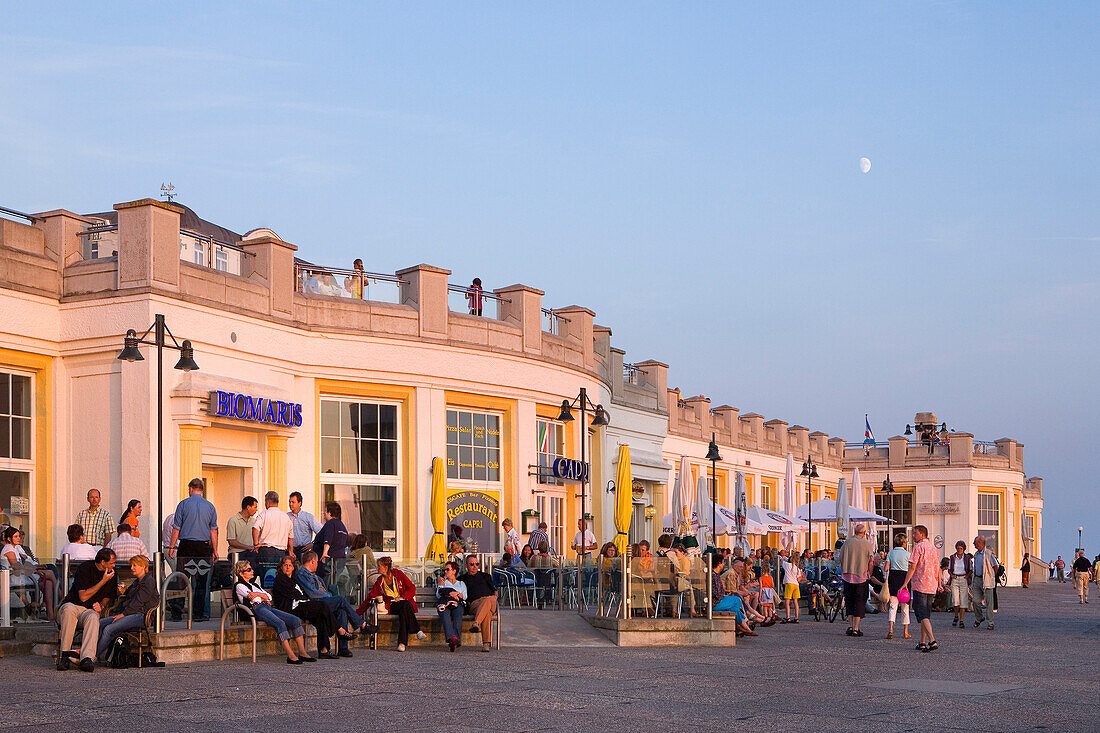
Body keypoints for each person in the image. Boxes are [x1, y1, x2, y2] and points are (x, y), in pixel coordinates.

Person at [233, 560, 314, 664]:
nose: (252, 571)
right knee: (280, 623)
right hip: (256, 610)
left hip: (267, 607)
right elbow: (252, 598)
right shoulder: (239, 586)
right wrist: (261, 596)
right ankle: (291, 655)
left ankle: (302, 653)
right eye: (249, 569)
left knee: (295, 620)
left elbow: (268, 597)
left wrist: (260, 596)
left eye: (251, 568)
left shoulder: (255, 585)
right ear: (241, 573)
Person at [57, 547, 118, 672]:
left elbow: (108, 596)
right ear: (102, 563)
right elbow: (83, 596)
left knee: (93, 616)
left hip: (88, 610)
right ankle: (64, 655)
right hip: (73, 605)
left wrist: (101, 605)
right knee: (68, 610)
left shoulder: (113, 573)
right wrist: (103, 581)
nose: (114, 565)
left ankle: (87, 658)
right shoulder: (85, 568)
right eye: (111, 562)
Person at [271, 555, 341, 659]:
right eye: (285, 565)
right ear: (281, 567)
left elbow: (300, 593)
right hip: (291, 609)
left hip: (300, 605)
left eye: (290, 565)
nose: (287, 567)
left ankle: (324, 650)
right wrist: (304, 598)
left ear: (293, 567)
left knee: (320, 618)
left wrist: (304, 597)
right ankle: (338, 629)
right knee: (322, 605)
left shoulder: (293, 580)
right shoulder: (280, 579)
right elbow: (292, 593)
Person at [168, 478, 218, 621]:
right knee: (201, 581)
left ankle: (177, 613)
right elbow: (213, 530)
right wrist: (215, 549)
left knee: (181, 580)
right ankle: (198, 614)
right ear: (202, 489)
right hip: (203, 547)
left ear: (190, 489)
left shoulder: (183, 504)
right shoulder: (210, 507)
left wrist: (172, 547)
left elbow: (176, 528)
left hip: (186, 545)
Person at [297, 551, 372, 646]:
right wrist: (329, 596)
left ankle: (343, 648)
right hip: (316, 603)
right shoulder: (302, 574)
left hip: (323, 601)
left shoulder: (315, 576)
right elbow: (312, 593)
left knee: (342, 611)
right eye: (317, 562)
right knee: (340, 600)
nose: (317, 565)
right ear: (313, 561)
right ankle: (362, 624)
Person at [96, 554, 159, 662]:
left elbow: (138, 603)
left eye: (134, 565)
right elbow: (128, 597)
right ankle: (91, 652)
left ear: (143, 567)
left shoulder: (148, 581)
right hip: (130, 613)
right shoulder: (137, 581)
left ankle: (92, 656)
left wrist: (122, 615)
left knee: (109, 629)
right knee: (99, 623)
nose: (131, 568)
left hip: (141, 615)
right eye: (131, 565)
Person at [363, 556, 424, 651]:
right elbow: (370, 598)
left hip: (404, 603)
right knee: (405, 605)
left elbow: (411, 588)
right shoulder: (379, 581)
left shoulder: (398, 574)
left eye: (379, 566)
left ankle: (402, 643)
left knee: (404, 610)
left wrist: (402, 597)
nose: (377, 568)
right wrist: (358, 613)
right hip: (391, 605)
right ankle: (417, 629)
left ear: (386, 567)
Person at [1, 526, 57, 620]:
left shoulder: (14, 548)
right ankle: (61, 597)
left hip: (21, 576)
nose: (18, 538)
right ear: (9, 539)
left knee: (48, 582)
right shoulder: (9, 550)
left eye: (19, 536)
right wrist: (35, 570)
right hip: (15, 578)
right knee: (50, 573)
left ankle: (50, 615)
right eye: (15, 537)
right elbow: (16, 567)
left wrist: (36, 567)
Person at [901, 525, 940, 653]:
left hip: (920, 584)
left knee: (922, 614)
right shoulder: (934, 549)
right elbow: (937, 568)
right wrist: (939, 583)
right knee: (926, 615)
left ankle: (932, 640)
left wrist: (905, 583)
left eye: (915, 533)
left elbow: (912, 567)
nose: (913, 536)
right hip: (931, 585)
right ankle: (922, 642)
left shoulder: (918, 548)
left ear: (922, 535)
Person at [836, 523, 876, 637]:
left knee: (849, 601)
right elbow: (871, 561)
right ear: (864, 533)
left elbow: (841, 559)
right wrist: (869, 573)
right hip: (861, 577)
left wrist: (844, 570)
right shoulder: (867, 544)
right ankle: (856, 628)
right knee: (859, 602)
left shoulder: (847, 543)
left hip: (847, 576)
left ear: (854, 532)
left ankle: (850, 625)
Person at [459, 554, 498, 652]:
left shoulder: (486, 576)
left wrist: (495, 597)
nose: (475, 566)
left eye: (477, 564)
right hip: (475, 604)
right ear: (466, 565)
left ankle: (476, 622)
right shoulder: (462, 579)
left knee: (488, 600)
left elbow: (494, 591)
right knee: (487, 613)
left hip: (490, 600)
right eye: (472, 564)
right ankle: (486, 644)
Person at [711, 554, 756, 636]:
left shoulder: (716, 575)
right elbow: (716, 593)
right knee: (736, 599)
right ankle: (745, 621)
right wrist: (726, 595)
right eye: (723, 562)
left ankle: (745, 628)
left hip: (718, 600)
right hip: (715, 603)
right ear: (719, 563)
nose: (724, 564)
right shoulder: (713, 576)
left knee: (735, 609)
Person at [252, 490, 294, 567]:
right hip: (281, 552)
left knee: (266, 577)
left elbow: (255, 528)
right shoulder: (286, 517)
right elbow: (290, 537)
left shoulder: (264, 514)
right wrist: (290, 551)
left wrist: (256, 544)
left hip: (266, 551)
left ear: (267, 502)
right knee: (278, 576)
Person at [882, 531, 911, 640]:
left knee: (893, 606)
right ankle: (905, 631)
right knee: (905, 607)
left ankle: (890, 629)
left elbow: (886, 568)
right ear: (903, 543)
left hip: (893, 578)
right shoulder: (908, 554)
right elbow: (911, 568)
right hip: (904, 579)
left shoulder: (891, 553)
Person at [970, 535, 1000, 630]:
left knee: (989, 602)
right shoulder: (976, 554)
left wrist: (992, 576)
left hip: (986, 579)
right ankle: (979, 618)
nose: (974, 544)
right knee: (975, 601)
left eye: (975, 543)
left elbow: (995, 566)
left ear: (979, 543)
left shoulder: (988, 554)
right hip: (977, 579)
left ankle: (990, 622)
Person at [436, 560, 467, 651]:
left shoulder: (461, 584)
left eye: (447, 569)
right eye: (445, 570)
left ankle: (454, 641)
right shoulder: (443, 582)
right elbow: (438, 595)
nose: (445, 571)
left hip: (457, 604)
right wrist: (440, 586)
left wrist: (456, 594)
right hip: (445, 604)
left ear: (454, 571)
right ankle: (454, 639)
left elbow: (464, 596)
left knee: (457, 615)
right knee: (444, 614)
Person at [314, 502, 349, 580]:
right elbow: (347, 542)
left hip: (330, 559)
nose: (324, 514)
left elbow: (328, 539)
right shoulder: (342, 526)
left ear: (330, 513)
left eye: (326, 511)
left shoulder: (330, 524)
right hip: (340, 559)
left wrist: (324, 553)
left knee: (328, 581)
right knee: (336, 582)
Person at [288, 491, 323, 563]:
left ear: (299, 503)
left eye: (293, 502)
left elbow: (321, 532)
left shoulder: (308, 517)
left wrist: (313, 544)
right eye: (289, 502)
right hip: (291, 551)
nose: (290, 504)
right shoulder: (286, 517)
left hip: (304, 552)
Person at [226, 496, 259, 565]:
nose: (256, 510)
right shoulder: (233, 521)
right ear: (248, 507)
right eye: (255, 507)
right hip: (237, 553)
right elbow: (231, 541)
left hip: (251, 554)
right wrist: (248, 547)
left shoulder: (254, 521)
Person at [947, 540, 972, 628]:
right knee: (955, 599)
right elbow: (949, 569)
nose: (959, 550)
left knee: (963, 600)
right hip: (955, 578)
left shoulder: (967, 558)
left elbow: (970, 569)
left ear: (964, 549)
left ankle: (961, 620)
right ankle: (956, 615)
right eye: (958, 549)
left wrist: (967, 576)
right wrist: (952, 575)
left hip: (963, 578)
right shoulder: (953, 557)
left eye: (961, 549)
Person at [780, 553, 801, 623]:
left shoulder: (787, 565)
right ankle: (796, 617)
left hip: (789, 583)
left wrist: (786, 557)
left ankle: (788, 617)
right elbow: (799, 579)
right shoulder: (797, 568)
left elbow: (781, 559)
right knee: (796, 602)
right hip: (796, 585)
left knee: (787, 601)